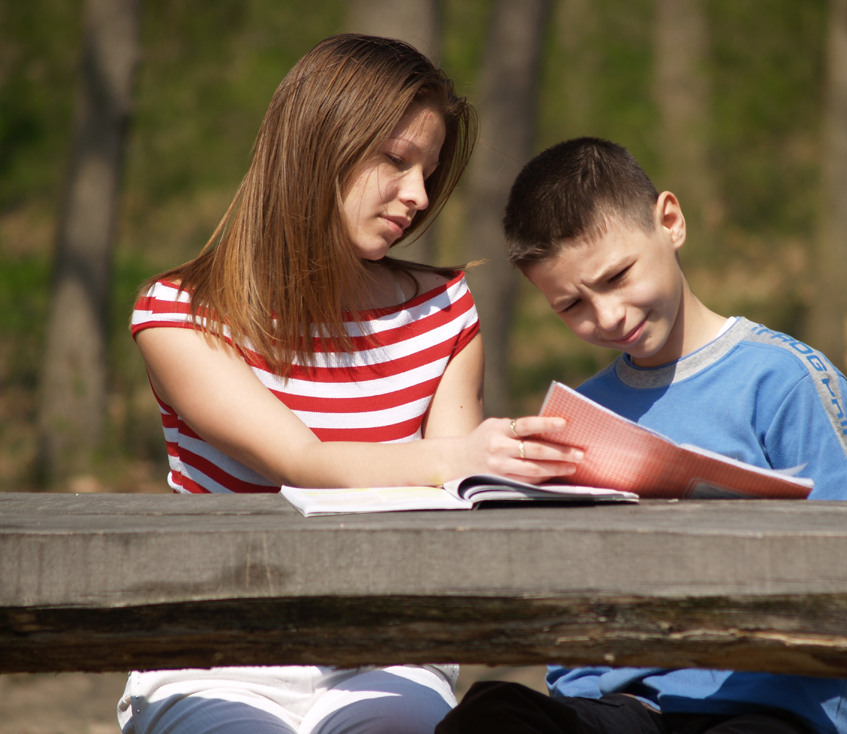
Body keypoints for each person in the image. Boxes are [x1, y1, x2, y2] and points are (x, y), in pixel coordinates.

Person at [117, 35, 583, 734]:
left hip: (388, 648)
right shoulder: (180, 313)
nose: (417, 195)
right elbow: (302, 462)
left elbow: (456, 503)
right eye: (395, 161)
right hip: (215, 649)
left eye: (426, 171)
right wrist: (457, 458)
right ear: (316, 144)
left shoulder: (444, 310)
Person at [436, 137, 847, 734]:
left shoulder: (784, 380)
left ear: (669, 222)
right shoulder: (582, 413)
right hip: (628, 707)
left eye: (618, 276)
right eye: (572, 306)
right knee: (491, 717)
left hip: (767, 703)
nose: (609, 316)